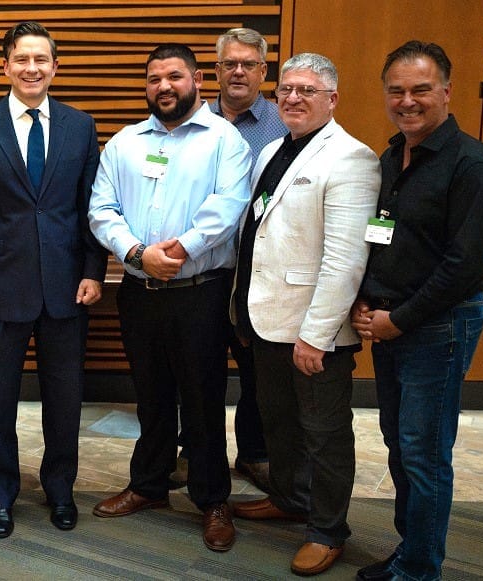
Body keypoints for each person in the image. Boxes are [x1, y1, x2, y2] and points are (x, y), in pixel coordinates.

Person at [88, 43, 251, 552]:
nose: (163, 86)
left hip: (199, 293)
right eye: (154, 78)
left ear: (198, 79)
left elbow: (229, 209)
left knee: (203, 400)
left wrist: (174, 252)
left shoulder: (226, 141)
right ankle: (149, 485)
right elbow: (101, 208)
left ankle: (213, 499)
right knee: (151, 395)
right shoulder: (125, 142)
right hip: (140, 291)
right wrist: (138, 254)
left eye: (174, 76)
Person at [352, 41, 483, 581]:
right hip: (394, 322)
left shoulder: (475, 165)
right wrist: (370, 298)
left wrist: (400, 318)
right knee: (399, 444)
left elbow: (465, 265)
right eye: (397, 90)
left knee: (424, 453)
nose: (407, 101)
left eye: (420, 90)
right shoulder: (393, 157)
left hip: (439, 326)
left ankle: (419, 571)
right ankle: (411, 550)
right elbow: (385, 240)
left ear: (446, 91)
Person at [0, 21, 107, 538]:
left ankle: (60, 491)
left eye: (41, 59)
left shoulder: (80, 126)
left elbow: (92, 208)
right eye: (22, 59)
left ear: (55, 67)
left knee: (65, 398)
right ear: (6, 66)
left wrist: (93, 270)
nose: (32, 68)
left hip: (67, 287)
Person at [230, 53, 380, 576]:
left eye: (307, 91)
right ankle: (291, 500)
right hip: (266, 318)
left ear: (332, 99)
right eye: (287, 89)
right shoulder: (274, 147)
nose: (293, 98)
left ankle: (327, 529)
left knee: (325, 434)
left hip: (314, 331)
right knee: (280, 425)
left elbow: (345, 259)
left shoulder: (351, 159)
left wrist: (316, 336)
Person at [179, 27, 288, 492]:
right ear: (215, 71)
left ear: (264, 71)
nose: (238, 71)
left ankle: (254, 451)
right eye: (229, 64)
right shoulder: (189, 122)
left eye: (248, 64)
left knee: (255, 366)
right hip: (201, 269)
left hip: (256, 270)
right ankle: (193, 447)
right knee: (195, 365)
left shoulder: (284, 122)